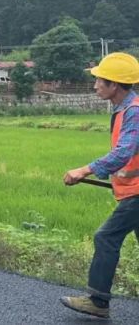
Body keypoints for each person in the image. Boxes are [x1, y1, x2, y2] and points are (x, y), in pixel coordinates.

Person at [60, 52, 139, 319]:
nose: (94, 85)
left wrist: (85, 169)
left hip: (137, 194)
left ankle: (98, 301)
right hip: (132, 191)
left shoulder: (134, 112)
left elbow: (124, 152)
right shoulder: (125, 110)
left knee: (105, 237)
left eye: (99, 81)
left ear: (114, 84)